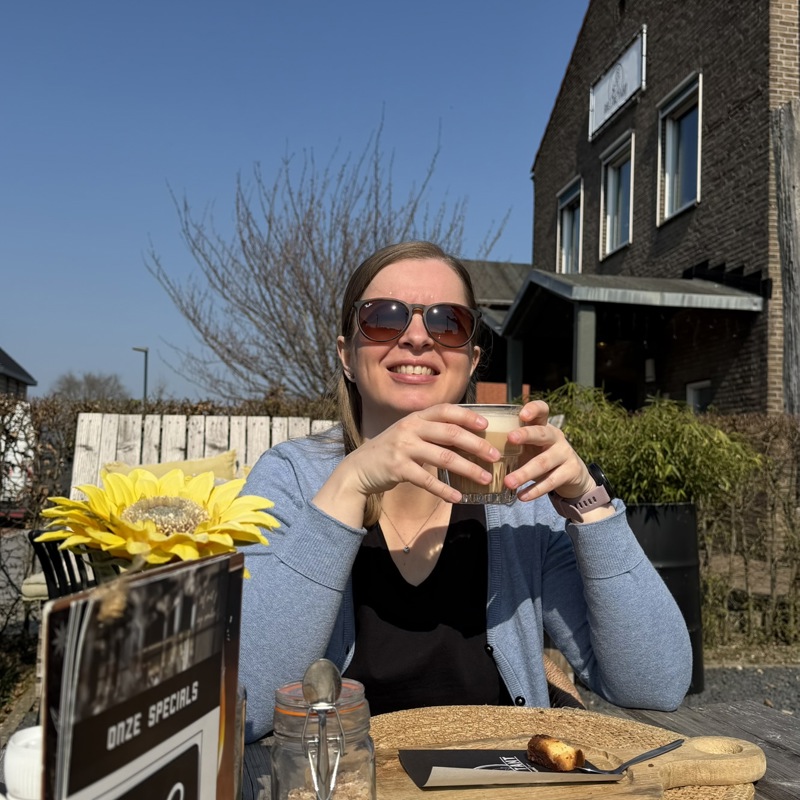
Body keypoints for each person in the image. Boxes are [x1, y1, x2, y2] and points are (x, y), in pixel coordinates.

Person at [239, 241, 692, 742]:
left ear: (471, 360)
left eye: (447, 322)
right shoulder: (291, 480)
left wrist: (588, 501)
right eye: (384, 318)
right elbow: (247, 705)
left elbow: (657, 683)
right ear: (347, 354)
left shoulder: (518, 493)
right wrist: (350, 485)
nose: (416, 338)